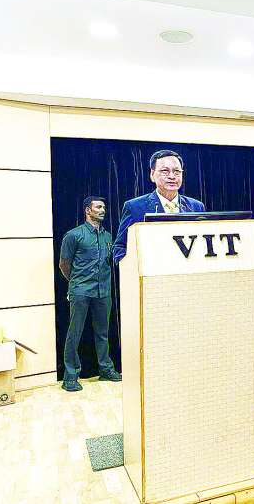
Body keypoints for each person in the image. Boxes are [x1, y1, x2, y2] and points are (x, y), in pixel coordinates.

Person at [59, 196, 122, 392]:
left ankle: (105, 369)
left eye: (104, 207)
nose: (103, 210)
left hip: (103, 291)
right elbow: (64, 264)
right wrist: (76, 283)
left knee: (102, 333)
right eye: (98, 207)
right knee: (74, 333)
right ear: (88, 210)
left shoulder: (108, 237)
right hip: (80, 291)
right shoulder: (73, 235)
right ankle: (70, 376)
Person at [113, 149, 206, 263]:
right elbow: (120, 248)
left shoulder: (196, 207)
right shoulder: (134, 207)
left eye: (177, 171)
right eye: (165, 171)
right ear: (152, 175)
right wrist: (134, 268)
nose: (172, 176)